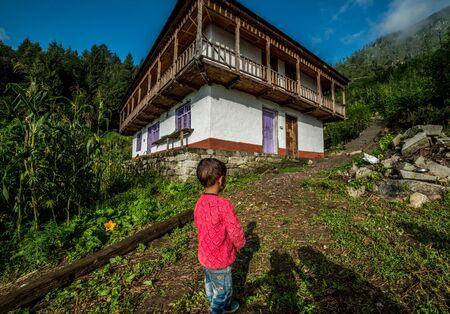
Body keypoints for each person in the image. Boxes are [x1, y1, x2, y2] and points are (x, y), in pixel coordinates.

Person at [194, 158, 246, 314]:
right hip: (220, 260)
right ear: (221, 179)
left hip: (204, 256)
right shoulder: (224, 205)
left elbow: (199, 225)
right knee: (223, 290)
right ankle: (218, 309)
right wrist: (240, 244)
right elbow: (235, 230)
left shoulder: (199, 203)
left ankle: (223, 305)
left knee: (210, 284)